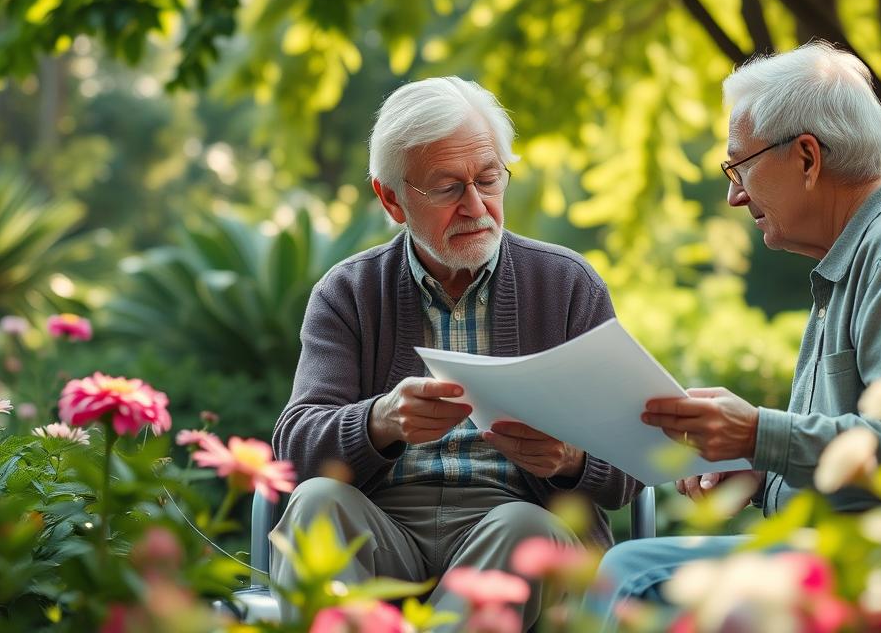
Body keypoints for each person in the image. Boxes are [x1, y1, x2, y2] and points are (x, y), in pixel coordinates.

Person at [591, 41, 881, 611]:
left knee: (628, 570)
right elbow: (861, 455)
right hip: (854, 551)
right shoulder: (869, 254)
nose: (733, 194)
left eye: (740, 165)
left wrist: (755, 435)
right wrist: (758, 469)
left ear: (806, 158)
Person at [271, 76, 642, 629]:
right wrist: (380, 421)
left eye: (489, 179)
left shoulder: (566, 285)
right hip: (384, 530)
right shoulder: (348, 291)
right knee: (317, 503)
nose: (476, 206)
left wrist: (570, 459)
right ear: (392, 199)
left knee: (523, 528)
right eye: (447, 188)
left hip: (516, 523)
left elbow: (633, 462)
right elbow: (293, 449)